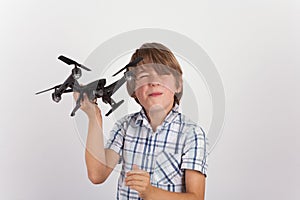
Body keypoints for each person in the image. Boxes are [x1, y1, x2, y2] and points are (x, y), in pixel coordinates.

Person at [74, 42, 208, 200]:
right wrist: (93, 115)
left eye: (163, 74)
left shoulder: (192, 134)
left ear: (178, 84)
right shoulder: (124, 127)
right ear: (133, 90)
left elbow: (196, 197)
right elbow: (97, 174)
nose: (153, 82)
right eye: (144, 76)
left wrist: (150, 193)